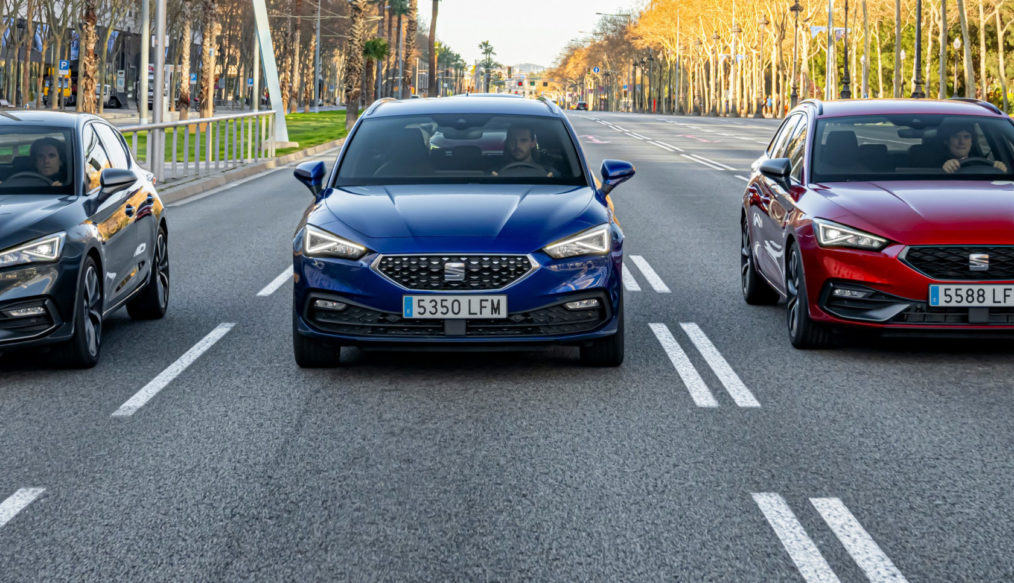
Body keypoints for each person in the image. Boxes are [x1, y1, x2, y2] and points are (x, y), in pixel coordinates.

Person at [940, 123, 1008, 174]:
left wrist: (1000, 168)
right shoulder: (935, 165)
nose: (962, 142)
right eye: (956, 136)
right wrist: (944, 169)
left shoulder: (983, 164)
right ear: (946, 141)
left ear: (972, 141)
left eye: (966, 137)